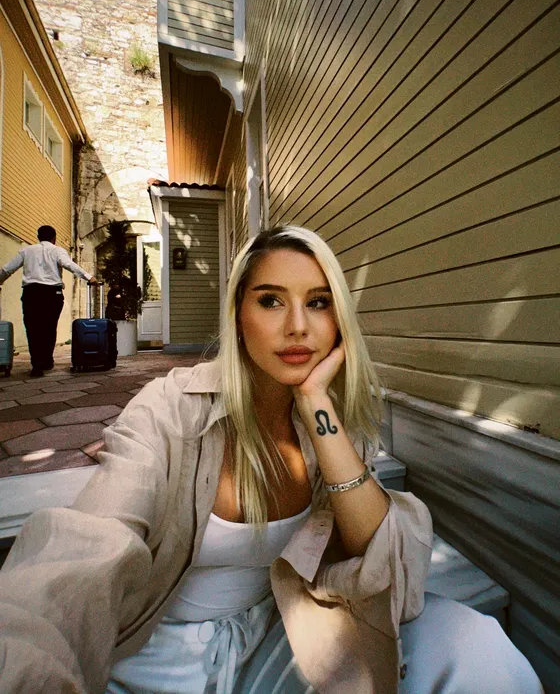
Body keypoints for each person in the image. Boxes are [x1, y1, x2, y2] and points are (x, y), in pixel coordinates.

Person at [0, 226, 542, 693]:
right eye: (271, 301)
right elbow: (87, 545)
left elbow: (392, 574)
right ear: (238, 314)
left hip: (277, 636)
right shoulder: (171, 408)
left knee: (474, 645)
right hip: (154, 657)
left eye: (319, 302)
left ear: (338, 319)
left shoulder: (334, 417)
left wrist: (316, 407)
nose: (298, 326)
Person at [0, 224, 97, 377]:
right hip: (52, 294)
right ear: (54, 238)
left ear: (38, 237)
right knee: (49, 327)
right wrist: (88, 277)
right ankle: (46, 360)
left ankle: (36, 364)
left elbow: (7, 269)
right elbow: (69, 265)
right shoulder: (58, 251)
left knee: (32, 328)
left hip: (31, 293)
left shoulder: (26, 250)